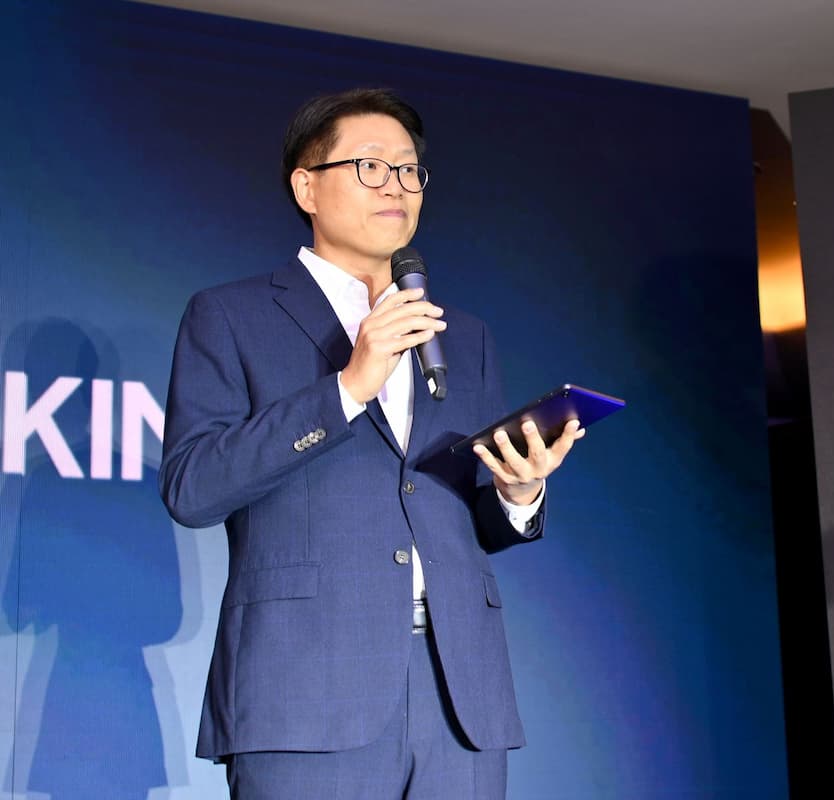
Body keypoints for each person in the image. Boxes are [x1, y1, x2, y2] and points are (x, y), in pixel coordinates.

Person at [159, 87, 584, 800]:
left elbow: (458, 514)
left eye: (410, 170)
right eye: (371, 167)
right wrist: (347, 388)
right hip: (306, 690)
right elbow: (193, 487)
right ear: (307, 187)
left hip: (459, 695)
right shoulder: (230, 315)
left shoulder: (462, 335)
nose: (397, 185)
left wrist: (518, 493)